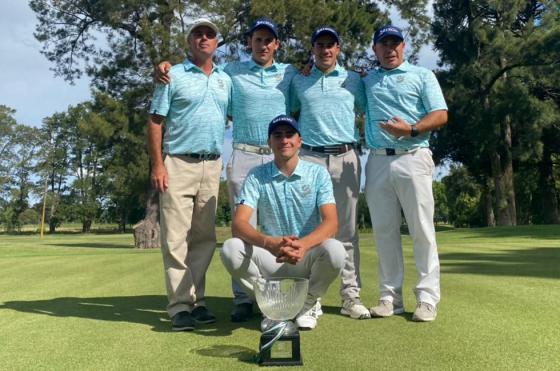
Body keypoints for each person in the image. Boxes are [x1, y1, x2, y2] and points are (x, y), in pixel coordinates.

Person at [156, 18, 298, 323]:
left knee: (261, 229)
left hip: (273, 158)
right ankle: (241, 298)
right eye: (257, 39)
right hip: (241, 155)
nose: (262, 45)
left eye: (268, 40)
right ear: (250, 43)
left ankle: (268, 295)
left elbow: (302, 102)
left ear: (277, 44)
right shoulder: (231, 73)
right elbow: (165, 116)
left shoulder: (289, 74)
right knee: (243, 229)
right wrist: (164, 65)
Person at [220, 115, 346, 330]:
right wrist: (269, 243)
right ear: (270, 143)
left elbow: (331, 222)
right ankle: (272, 305)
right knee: (231, 248)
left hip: (305, 256)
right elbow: (239, 224)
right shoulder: (257, 175)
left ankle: (307, 304)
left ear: (300, 141)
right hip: (272, 256)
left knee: (336, 250)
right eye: (277, 136)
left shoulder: (317, 173)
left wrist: (303, 245)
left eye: (290, 135)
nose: (284, 140)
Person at [147, 18, 232, 331]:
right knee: (175, 238)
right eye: (198, 34)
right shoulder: (172, 75)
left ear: (216, 42)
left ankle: (198, 302)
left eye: (210, 34)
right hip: (177, 163)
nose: (204, 38)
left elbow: (239, 111)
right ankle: (180, 306)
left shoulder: (226, 79)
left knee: (204, 238)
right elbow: (155, 121)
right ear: (190, 41)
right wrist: (158, 165)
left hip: (212, 165)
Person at [362, 25, 448, 322]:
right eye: (383, 44)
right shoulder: (367, 80)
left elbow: (440, 114)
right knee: (384, 232)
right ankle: (390, 297)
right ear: (375, 50)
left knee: (422, 230)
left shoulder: (422, 75)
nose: (390, 49)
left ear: (404, 46)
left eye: (395, 43)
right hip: (376, 160)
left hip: (414, 157)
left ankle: (427, 298)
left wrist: (411, 129)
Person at [290, 26, 370, 319]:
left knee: (347, 231)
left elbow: (369, 108)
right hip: (309, 157)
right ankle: (313, 298)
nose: (325, 50)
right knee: (311, 230)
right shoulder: (300, 81)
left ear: (338, 49)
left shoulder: (352, 80)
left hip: (345, 156)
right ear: (313, 49)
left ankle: (351, 296)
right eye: (319, 45)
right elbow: (287, 111)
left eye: (330, 45)